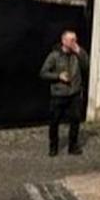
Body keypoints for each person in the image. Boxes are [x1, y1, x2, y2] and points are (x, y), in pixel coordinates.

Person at [39, 29, 87, 157]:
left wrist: (79, 52)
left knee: (75, 120)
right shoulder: (54, 56)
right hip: (59, 94)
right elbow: (43, 73)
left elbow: (86, 65)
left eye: (75, 40)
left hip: (74, 93)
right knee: (54, 121)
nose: (74, 42)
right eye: (71, 40)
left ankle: (73, 146)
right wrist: (58, 76)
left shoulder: (77, 54)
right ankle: (53, 147)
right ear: (64, 41)